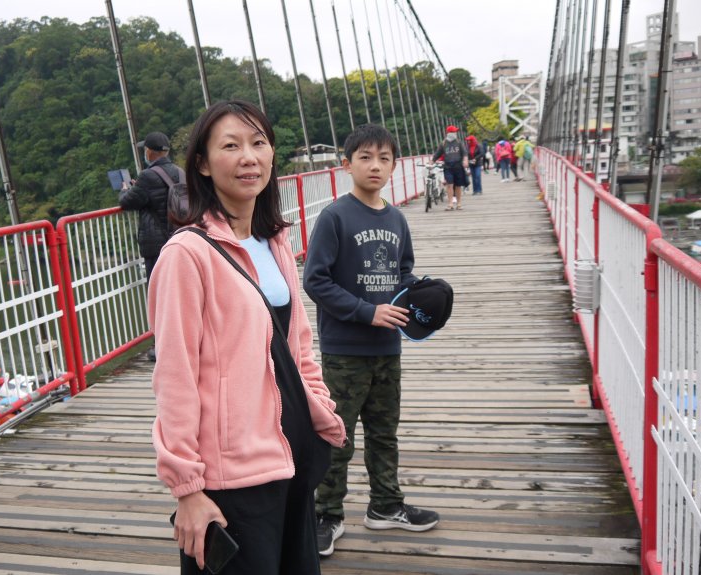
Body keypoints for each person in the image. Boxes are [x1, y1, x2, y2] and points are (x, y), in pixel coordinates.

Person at [148, 100, 347, 575]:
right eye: (231, 146)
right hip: (232, 475)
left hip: (292, 456)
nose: (248, 157)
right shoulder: (186, 255)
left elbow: (298, 343)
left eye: (259, 143)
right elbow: (174, 378)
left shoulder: (274, 241)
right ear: (201, 162)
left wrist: (318, 404)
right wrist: (188, 490)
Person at [304, 124, 440, 559]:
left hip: (388, 348)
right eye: (365, 157)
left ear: (395, 165)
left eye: (384, 157)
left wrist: (421, 294)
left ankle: (385, 505)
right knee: (337, 435)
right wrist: (368, 311)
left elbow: (402, 272)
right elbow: (315, 280)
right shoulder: (335, 217)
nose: (375, 165)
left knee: (384, 434)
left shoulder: (397, 218)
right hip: (345, 349)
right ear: (347, 165)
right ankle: (327, 514)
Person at [119, 131, 182, 280]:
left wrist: (124, 190)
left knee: (158, 291)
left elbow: (127, 202)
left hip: (157, 245)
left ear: (148, 151)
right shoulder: (180, 172)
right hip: (180, 238)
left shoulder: (147, 175)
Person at [430, 125, 469, 210]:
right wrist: (431, 162)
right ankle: (450, 204)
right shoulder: (444, 143)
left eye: (455, 132)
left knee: (458, 186)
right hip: (448, 167)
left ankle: (459, 204)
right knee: (449, 185)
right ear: (450, 133)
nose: (456, 133)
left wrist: (465, 160)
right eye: (454, 132)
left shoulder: (459, 142)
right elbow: (437, 154)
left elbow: (464, 153)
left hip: (458, 166)